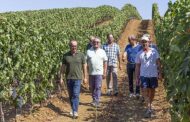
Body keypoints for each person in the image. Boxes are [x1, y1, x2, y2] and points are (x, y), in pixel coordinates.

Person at [135, 36, 162, 118]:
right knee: (145, 91)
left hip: (153, 75)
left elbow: (158, 63)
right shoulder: (139, 54)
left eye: (145, 42)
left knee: (152, 91)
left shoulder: (154, 52)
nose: (144, 43)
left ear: (149, 43)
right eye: (143, 42)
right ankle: (149, 107)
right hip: (144, 75)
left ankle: (150, 104)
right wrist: (137, 77)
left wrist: (160, 73)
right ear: (141, 43)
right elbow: (137, 66)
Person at [60, 40, 87, 118]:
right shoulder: (66, 56)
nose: (74, 47)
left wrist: (85, 77)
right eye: (72, 46)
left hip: (78, 78)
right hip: (68, 78)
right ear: (70, 46)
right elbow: (63, 68)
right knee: (71, 95)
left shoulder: (81, 55)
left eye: (75, 46)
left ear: (77, 46)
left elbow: (84, 67)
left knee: (75, 94)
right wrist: (61, 77)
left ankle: (75, 111)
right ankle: (72, 109)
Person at [86, 37, 107, 107]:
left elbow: (105, 62)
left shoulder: (102, 51)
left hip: (99, 73)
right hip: (91, 73)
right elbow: (86, 62)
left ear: (100, 43)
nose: (96, 43)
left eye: (97, 42)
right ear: (92, 43)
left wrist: (104, 72)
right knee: (92, 87)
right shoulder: (88, 51)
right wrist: (86, 73)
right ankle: (94, 99)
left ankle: (97, 101)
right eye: (94, 42)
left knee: (98, 87)